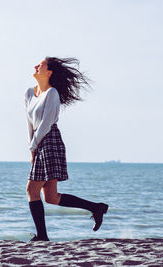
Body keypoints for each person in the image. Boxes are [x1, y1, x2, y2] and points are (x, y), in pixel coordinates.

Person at [24, 56, 109, 241]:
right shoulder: (29, 93)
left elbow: (46, 124)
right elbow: (30, 123)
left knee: (32, 190)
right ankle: (97, 208)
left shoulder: (52, 93)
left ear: (49, 72)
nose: (35, 66)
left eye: (40, 65)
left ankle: (42, 237)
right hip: (39, 143)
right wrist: (32, 149)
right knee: (51, 197)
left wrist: (34, 145)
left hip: (50, 140)